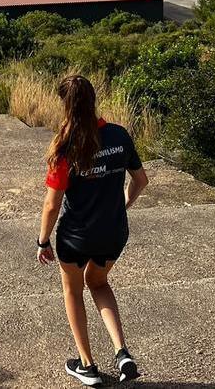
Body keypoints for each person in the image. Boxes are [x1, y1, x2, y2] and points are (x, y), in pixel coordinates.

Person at [37, 75, 149, 386]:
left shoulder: (65, 148)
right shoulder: (119, 136)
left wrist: (43, 240)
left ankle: (87, 365)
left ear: (66, 106)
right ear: (93, 100)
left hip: (76, 237)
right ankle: (122, 352)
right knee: (98, 283)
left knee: (74, 290)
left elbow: (51, 205)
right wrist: (122, 206)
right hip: (113, 233)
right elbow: (141, 181)